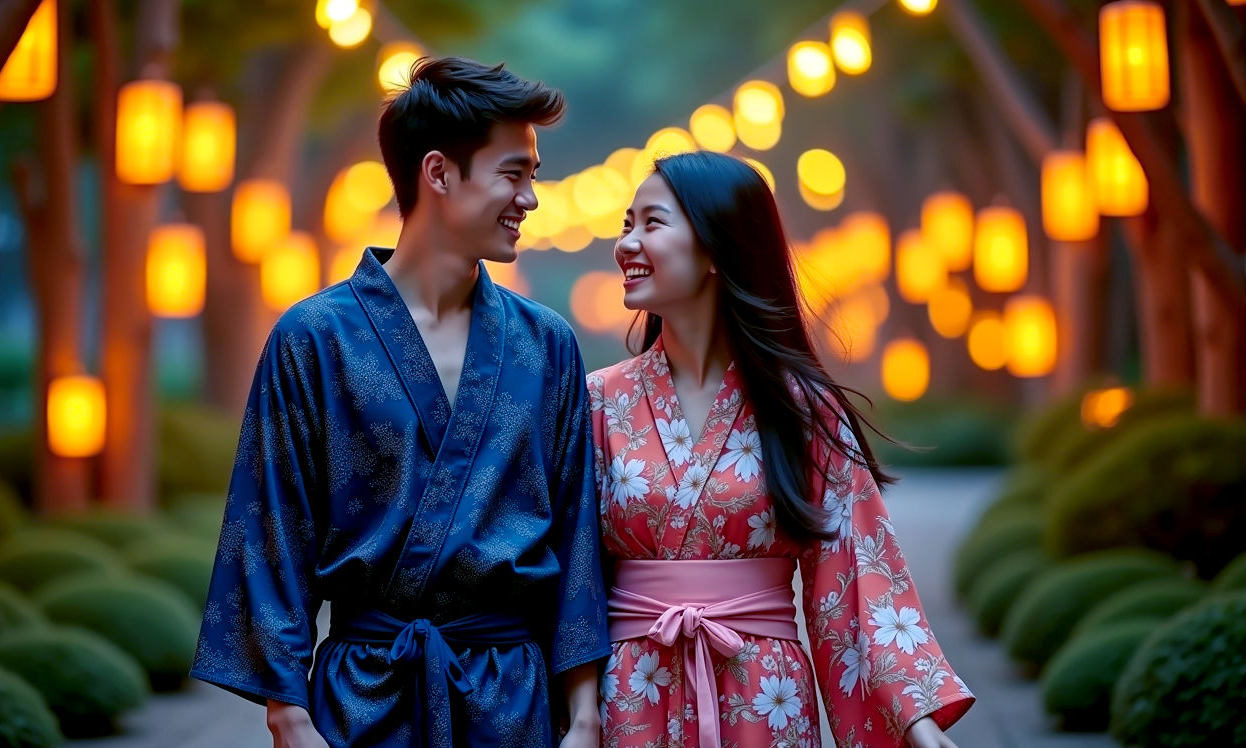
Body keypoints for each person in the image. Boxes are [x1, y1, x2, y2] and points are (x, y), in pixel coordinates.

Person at [191, 57, 609, 748]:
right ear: (439, 173)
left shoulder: (547, 346)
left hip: (512, 704)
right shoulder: (315, 338)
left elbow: (578, 538)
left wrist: (586, 717)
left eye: (531, 176)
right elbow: (269, 526)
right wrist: (288, 716)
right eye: (514, 174)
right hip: (362, 702)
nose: (530, 200)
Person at [588, 151, 974, 747]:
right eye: (625, 224)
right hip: (632, 697)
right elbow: (568, 579)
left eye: (652, 223)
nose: (627, 243)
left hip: (765, 699)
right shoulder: (596, 402)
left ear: (717, 247)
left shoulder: (802, 409)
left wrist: (915, 720)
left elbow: (858, 578)